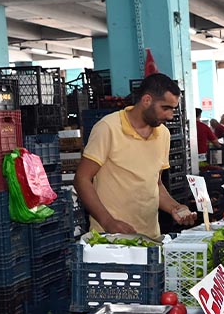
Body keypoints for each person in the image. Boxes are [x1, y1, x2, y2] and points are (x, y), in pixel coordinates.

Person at [75, 73, 197, 240]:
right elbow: (82, 178)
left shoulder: (163, 134)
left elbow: (156, 183)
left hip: (150, 237)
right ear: (147, 100)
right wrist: (108, 222)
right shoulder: (108, 128)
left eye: (173, 109)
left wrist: (175, 207)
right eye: (165, 108)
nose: (170, 115)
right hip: (111, 238)